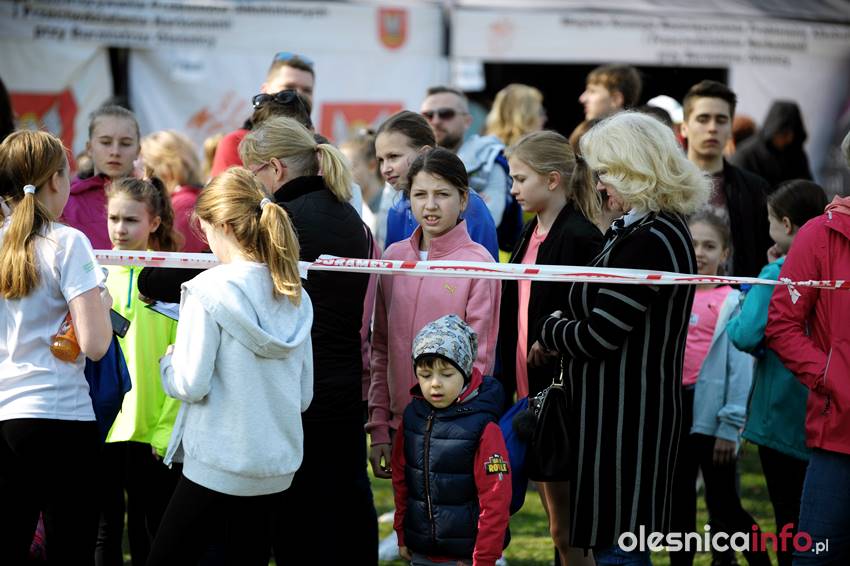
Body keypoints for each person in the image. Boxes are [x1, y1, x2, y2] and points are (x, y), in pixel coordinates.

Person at [535, 112, 710, 564]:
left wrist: (550, 327)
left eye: (606, 172)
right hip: (614, 416)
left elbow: (598, 335)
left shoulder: (652, 238)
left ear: (635, 170)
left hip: (627, 421)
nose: (599, 184)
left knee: (620, 546)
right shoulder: (641, 229)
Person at [146, 167, 313, 565]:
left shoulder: (206, 289)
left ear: (222, 226)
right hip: (274, 464)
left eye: (206, 231)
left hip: (218, 459)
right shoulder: (294, 293)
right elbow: (304, 396)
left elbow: (190, 383)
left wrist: (168, 364)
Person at [239, 115, 378, 564]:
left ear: (275, 168)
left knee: (299, 517)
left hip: (297, 387)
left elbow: (222, 271)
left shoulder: (282, 218)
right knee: (347, 506)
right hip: (343, 384)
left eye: (253, 172)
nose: (253, 183)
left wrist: (150, 278)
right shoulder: (349, 215)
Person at [0, 130, 113, 564]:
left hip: (7, 415)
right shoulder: (67, 241)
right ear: (56, 180)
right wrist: (101, 305)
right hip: (62, 415)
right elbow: (96, 345)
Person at [498, 130, 602, 566]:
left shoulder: (579, 236)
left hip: (563, 397)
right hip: (530, 391)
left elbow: (590, 311)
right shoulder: (531, 231)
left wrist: (554, 336)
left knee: (567, 530)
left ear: (553, 179)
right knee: (558, 527)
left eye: (521, 179)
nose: (513, 189)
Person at [368, 148, 501, 483]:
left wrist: (459, 426)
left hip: (454, 430)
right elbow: (380, 348)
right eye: (420, 195)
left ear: (463, 199)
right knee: (405, 516)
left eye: (442, 194)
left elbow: (481, 359)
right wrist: (380, 426)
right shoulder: (393, 257)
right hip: (399, 425)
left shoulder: (479, 263)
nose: (430, 205)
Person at [727, 179, 828, 566]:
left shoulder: (775, 274)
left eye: (770, 221)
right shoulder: (831, 267)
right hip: (824, 410)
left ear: (785, 225)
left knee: (787, 516)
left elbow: (745, 333)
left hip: (779, 418)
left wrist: (765, 276)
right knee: (818, 517)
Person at [765, 131, 850, 566]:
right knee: (817, 557)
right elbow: (782, 324)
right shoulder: (820, 234)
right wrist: (830, 376)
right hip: (838, 436)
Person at [669, 211, 768, 566]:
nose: (699, 252)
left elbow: (740, 371)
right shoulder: (672, 295)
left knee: (724, 503)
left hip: (714, 419)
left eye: (709, 246)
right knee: (678, 504)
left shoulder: (732, 302)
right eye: (693, 244)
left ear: (724, 253)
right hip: (676, 415)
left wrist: (730, 426)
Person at [97, 176, 182, 566]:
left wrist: (166, 430)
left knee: (150, 530)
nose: (120, 229)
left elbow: (181, 357)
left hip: (152, 431)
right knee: (104, 529)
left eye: (131, 220)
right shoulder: (93, 274)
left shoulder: (171, 277)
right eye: (113, 218)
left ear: (154, 222)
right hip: (104, 426)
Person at [392, 314, 511, 566]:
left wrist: (485, 557)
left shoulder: (484, 427)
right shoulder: (412, 417)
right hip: (420, 552)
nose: (435, 384)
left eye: (446, 374)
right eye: (425, 375)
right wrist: (402, 533)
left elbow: (496, 498)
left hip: (467, 557)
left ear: (465, 371)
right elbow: (401, 481)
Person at [376, 110, 499, 259]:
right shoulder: (396, 211)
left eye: (393, 156)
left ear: (424, 153)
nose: (385, 169)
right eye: (380, 160)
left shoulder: (470, 205)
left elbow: (484, 265)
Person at [680, 80, 772, 277]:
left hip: (736, 293)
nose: (712, 128)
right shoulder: (664, 185)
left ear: (730, 129)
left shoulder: (754, 189)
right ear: (684, 127)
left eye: (721, 120)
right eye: (703, 119)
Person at [421, 87, 514, 243]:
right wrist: (468, 204)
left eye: (446, 114)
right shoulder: (409, 161)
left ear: (467, 121)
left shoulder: (488, 159)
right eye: (428, 115)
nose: (435, 121)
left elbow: (488, 218)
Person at [210, 52, 315, 177]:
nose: (298, 95)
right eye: (289, 87)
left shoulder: (319, 147)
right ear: (265, 90)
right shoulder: (236, 142)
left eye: (307, 90)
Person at [62, 105, 141, 250]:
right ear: (89, 148)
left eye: (125, 143)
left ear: (138, 151)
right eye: (105, 142)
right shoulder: (65, 203)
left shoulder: (153, 201)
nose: (115, 151)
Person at [140, 130, 206, 252]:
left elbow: (184, 257)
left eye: (142, 167)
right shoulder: (194, 197)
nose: (139, 175)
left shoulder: (181, 205)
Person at [731, 101, 813, 191]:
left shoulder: (796, 155)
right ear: (773, 131)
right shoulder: (746, 156)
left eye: (793, 133)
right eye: (784, 133)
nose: (789, 139)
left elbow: (808, 187)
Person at [485, 83, 546, 148]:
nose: (545, 118)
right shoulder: (529, 150)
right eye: (540, 113)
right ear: (525, 118)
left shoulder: (485, 147)